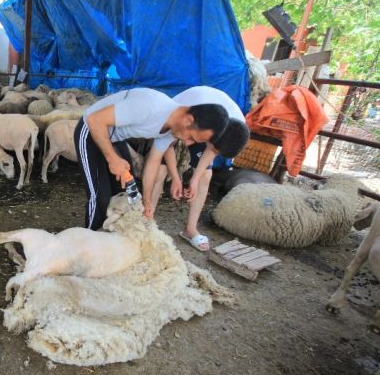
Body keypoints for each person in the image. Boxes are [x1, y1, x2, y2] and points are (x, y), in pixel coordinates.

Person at [74, 87, 230, 230]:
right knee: (100, 198)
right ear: (188, 120)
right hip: (90, 131)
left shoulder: (171, 129)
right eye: (191, 137)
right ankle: (90, 243)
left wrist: (147, 201)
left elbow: (153, 162)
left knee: (126, 195)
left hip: (114, 137)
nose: (188, 143)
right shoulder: (151, 107)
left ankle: (110, 237)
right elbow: (95, 120)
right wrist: (113, 159)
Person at [148, 86, 250, 251]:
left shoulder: (235, 129)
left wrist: (194, 180)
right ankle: (148, 219)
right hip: (184, 121)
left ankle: (190, 229)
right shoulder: (185, 112)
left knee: (205, 175)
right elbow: (166, 145)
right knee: (160, 171)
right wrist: (175, 177)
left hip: (210, 129)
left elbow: (212, 150)